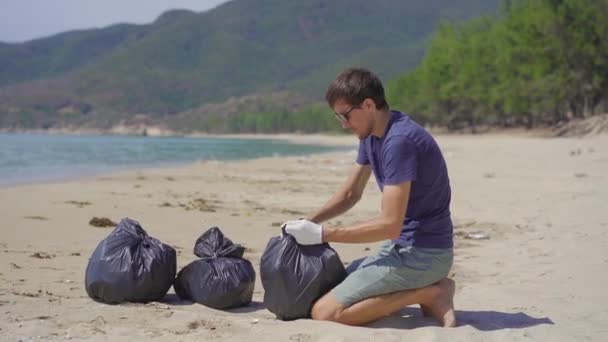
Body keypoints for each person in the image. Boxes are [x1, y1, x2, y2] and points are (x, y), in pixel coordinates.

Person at [282, 67, 456, 327]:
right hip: (401, 247)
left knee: (324, 313)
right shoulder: (371, 135)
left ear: (368, 104)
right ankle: (425, 290)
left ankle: (431, 292)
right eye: (337, 117)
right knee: (329, 286)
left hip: (426, 254)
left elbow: (389, 225)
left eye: (345, 116)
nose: (343, 124)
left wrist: (322, 234)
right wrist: (306, 222)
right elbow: (350, 194)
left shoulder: (399, 141)